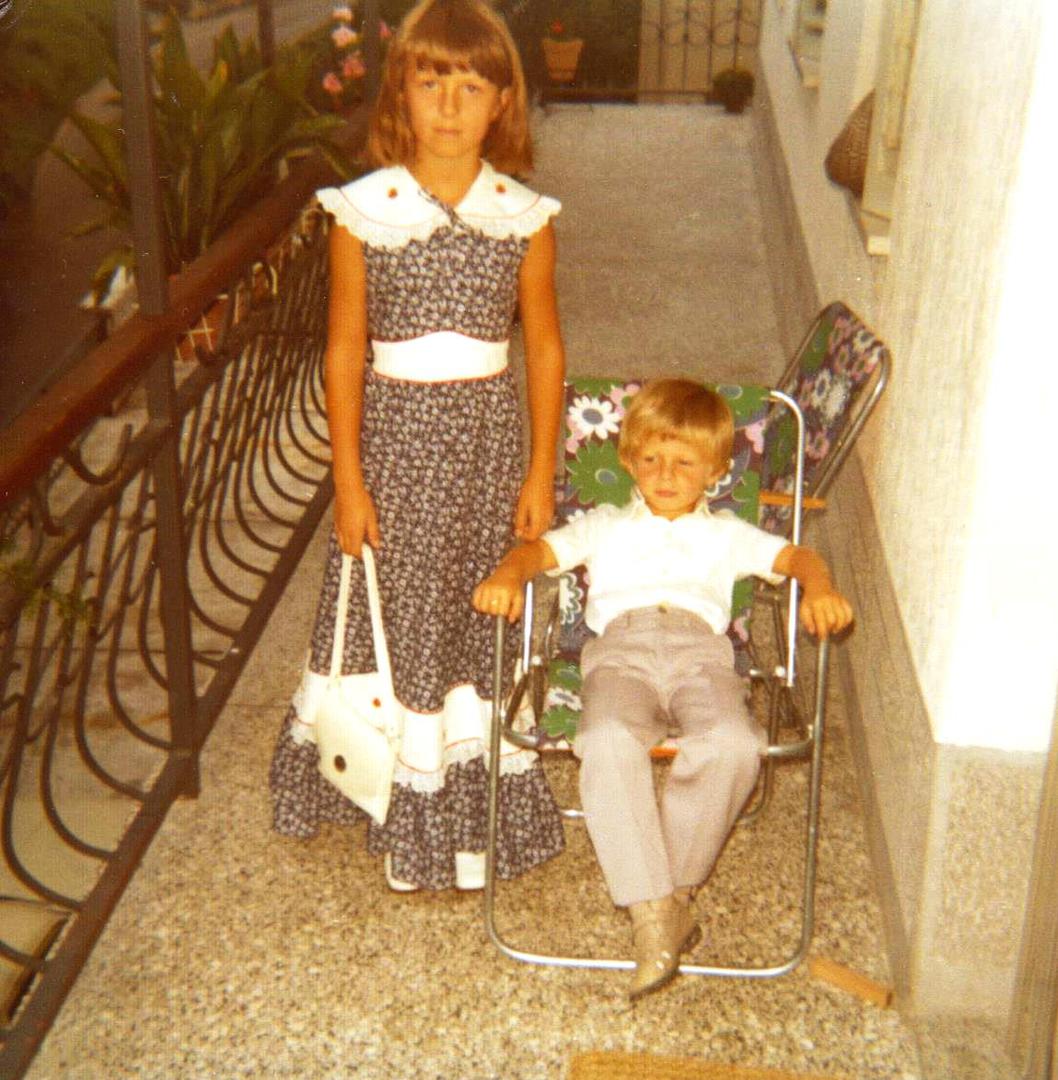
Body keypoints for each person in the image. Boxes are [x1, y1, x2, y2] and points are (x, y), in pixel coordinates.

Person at [269, 0, 566, 894]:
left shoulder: (525, 216)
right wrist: (347, 481)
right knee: (398, 607)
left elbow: (545, 347)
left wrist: (540, 468)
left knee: (471, 607)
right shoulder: (363, 212)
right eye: (431, 81)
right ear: (400, 91)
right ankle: (390, 785)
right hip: (396, 450)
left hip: (486, 448)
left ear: (501, 103)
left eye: (470, 87)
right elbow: (343, 350)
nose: (448, 104)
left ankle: (466, 797)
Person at [472, 378, 853, 998]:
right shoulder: (603, 525)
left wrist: (821, 587)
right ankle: (658, 916)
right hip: (619, 651)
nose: (666, 475)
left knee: (733, 743)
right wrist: (506, 576)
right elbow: (535, 553)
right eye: (650, 459)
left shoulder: (727, 533)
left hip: (703, 654)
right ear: (629, 461)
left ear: (716, 471)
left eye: (684, 463)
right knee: (605, 737)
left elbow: (797, 560)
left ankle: (667, 898)